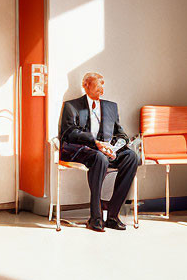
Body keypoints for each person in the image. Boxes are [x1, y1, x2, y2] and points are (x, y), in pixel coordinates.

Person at [59, 72, 139, 232]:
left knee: (131, 157)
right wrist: (96, 143)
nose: (101, 92)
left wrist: (114, 148)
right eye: (97, 88)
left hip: (106, 151)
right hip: (84, 151)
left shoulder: (111, 106)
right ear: (85, 85)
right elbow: (69, 133)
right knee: (99, 157)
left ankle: (112, 216)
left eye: (102, 88)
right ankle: (95, 218)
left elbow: (120, 133)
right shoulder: (71, 106)